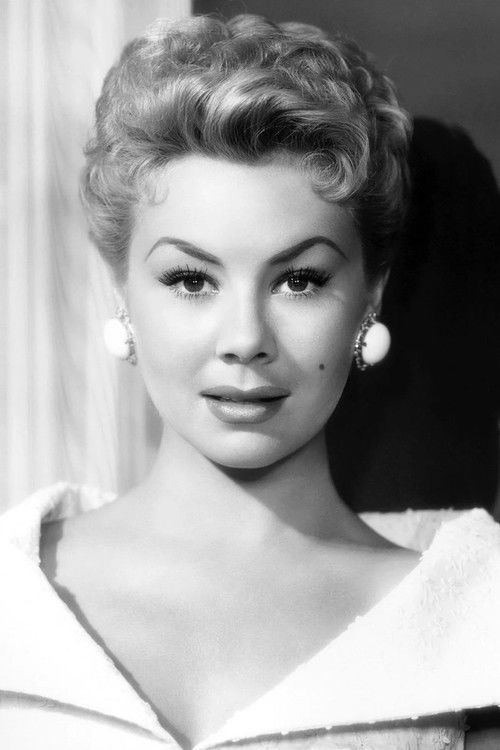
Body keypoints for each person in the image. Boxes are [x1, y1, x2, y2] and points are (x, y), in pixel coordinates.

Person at [0, 13, 499, 750]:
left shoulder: (475, 622)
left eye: (299, 280)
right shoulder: (14, 597)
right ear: (121, 287)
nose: (244, 339)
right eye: (190, 279)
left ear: (371, 294)